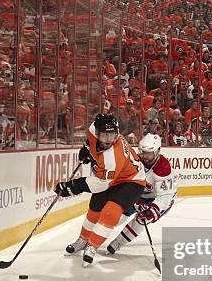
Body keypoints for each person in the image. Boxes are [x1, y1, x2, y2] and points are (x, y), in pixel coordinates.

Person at [55, 113, 146, 267]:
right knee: (95, 208)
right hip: (110, 176)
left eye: (112, 135)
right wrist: (88, 147)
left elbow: (99, 184)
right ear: (96, 133)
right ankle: (83, 240)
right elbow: (91, 142)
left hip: (131, 180)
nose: (108, 140)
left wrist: (72, 187)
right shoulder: (92, 130)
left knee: (111, 212)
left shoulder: (113, 157)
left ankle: (92, 245)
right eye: (104, 135)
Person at [106, 133, 177, 254]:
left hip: (158, 200)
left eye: (148, 153)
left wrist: (151, 210)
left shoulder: (163, 167)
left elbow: (164, 197)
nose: (144, 156)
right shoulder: (136, 160)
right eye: (142, 152)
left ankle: (119, 242)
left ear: (157, 151)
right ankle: (93, 238)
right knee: (117, 216)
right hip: (139, 193)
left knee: (141, 219)